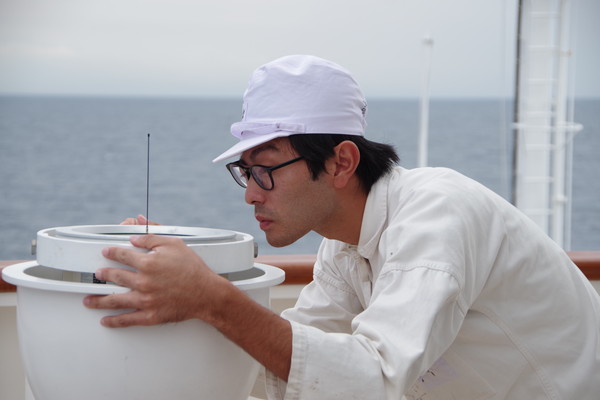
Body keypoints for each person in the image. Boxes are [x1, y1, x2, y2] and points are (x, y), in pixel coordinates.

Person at [84, 55, 600, 399]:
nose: (250, 193)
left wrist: (211, 297)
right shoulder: (343, 247)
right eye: (245, 171)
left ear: (341, 162)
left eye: (266, 170)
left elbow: (373, 379)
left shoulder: (437, 213)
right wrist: (185, 285)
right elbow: (294, 368)